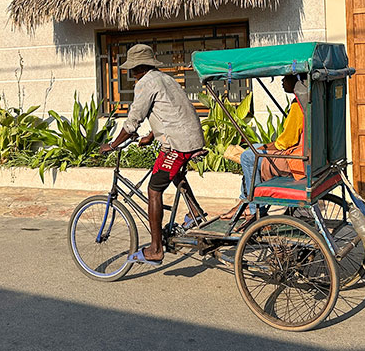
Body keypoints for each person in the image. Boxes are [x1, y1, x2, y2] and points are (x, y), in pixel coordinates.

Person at [100, 44, 205, 265]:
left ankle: (156, 249)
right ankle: (195, 214)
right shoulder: (164, 78)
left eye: (131, 68)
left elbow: (132, 121)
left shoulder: (145, 83)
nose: (130, 72)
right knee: (173, 174)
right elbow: (169, 111)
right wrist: (150, 135)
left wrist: (113, 144)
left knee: (154, 190)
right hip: (189, 138)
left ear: (137, 67)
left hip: (178, 144)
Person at [222, 73, 306, 220]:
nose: (282, 81)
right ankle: (244, 200)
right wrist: (265, 147)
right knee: (252, 150)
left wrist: (266, 148)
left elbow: (285, 142)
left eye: (286, 77)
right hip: (303, 154)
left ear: (296, 80)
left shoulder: (297, 105)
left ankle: (254, 208)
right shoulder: (309, 100)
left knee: (248, 157)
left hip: (296, 160)